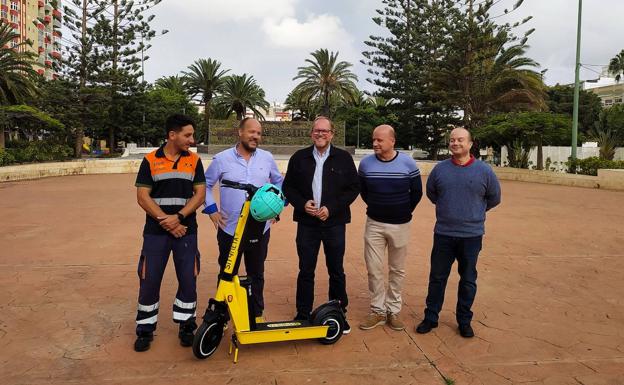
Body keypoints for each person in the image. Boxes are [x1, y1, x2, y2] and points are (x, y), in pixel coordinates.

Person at [416, 127, 501, 338]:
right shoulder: (440, 170)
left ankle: (464, 320)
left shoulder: (485, 171)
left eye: (460, 140)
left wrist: (474, 212)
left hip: (471, 235)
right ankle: (431, 317)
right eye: (452, 140)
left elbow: (494, 198)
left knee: (468, 279)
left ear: (470, 144)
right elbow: (432, 194)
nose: (455, 143)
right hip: (444, 233)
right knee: (437, 277)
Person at [133, 114, 206, 352]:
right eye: (187, 135)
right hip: (156, 232)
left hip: (186, 230)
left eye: (192, 135)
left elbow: (200, 195)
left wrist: (179, 218)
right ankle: (145, 328)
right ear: (172, 135)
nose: (192, 140)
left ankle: (187, 325)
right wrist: (167, 221)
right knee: (149, 279)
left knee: (188, 279)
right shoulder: (150, 160)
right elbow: (143, 196)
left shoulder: (194, 161)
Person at [282, 116, 360, 334]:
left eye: (325, 131)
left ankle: (338, 312)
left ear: (332, 134)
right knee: (306, 269)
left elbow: (353, 188)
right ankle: (302, 313)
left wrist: (331, 208)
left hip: (334, 223)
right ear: (311, 133)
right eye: (317, 130)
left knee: (336, 269)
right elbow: (288, 187)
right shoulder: (299, 158)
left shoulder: (343, 158)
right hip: (307, 224)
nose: (320, 134)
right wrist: (301, 203)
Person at [203, 117, 283, 322]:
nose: (255, 136)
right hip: (230, 229)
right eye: (251, 132)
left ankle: (256, 315)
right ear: (240, 132)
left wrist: (277, 206)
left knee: (257, 273)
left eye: (258, 133)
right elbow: (205, 185)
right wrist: (212, 210)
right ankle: (222, 316)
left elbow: (279, 184)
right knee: (227, 273)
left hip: (260, 229)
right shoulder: (221, 159)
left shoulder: (266, 158)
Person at [357, 125, 422, 331]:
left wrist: (402, 210)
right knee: (374, 269)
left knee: (397, 270)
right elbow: (364, 191)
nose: (375, 143)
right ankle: (378, 310)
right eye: (373, 140)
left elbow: (417, 193)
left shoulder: (408, 163)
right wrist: (378, 207)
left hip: (400, 224)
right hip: (374, 223)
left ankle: (393, 310)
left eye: (380, 140)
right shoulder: (366, 164)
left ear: (392, 141)